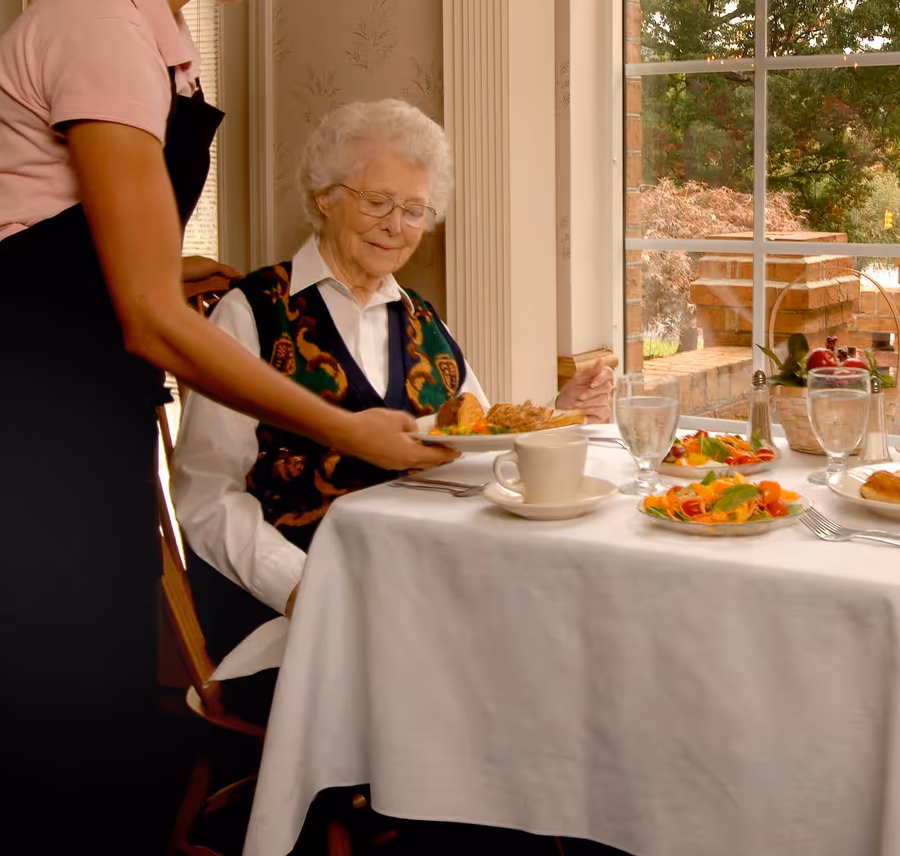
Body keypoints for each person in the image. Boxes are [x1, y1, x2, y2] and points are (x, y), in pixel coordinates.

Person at [0, 0, 454, 853]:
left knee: (77, 736)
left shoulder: (152, 41)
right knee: (5, 749)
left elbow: (41, 235)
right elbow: (146, 322)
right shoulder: (103, 32)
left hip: (52, 412)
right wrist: (346, 429)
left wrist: (169, 268)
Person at [170, 98, 615, 720]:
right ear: (324, 194)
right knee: (499, 679)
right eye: (377, 201)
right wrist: (302, 587)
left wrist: (556, 414)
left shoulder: (423, 320)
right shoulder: (251, 313)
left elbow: (476, 449)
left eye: (415, 210)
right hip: (292, 606)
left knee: (565, 641)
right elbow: (206, 497)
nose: (396, 225)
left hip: (419, 585)